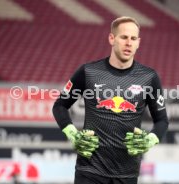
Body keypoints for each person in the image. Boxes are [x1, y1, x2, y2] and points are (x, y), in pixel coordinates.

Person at [52, 16, 169, 184]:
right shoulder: (88, 71)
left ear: (138, 42)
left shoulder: (149, 77)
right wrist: (73, 135)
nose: (129, 43)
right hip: (89, 171)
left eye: (133, 38)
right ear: (112, 38)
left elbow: (162, 121)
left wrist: (148, 141)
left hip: (127, 175)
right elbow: (60, 106)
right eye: (124, 37)